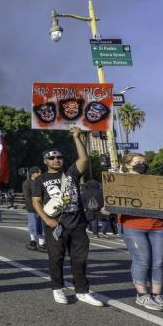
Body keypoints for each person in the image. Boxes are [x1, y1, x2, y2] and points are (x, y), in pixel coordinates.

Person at [31, 127, 105, 307]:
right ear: (45, 161)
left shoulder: (71, 174)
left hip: (77, 223)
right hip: (55, 224)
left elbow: (84, 159)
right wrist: (46, 219)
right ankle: (57, 288)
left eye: (59, 157)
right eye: (52, 158)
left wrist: (76, 137)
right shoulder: (40, 180)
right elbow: (36, 202)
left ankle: (82, 291)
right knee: (56, 259)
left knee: (80, 259)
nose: (56, 160)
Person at [117, 153, 163, 311]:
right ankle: (142, 296)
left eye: (144, 162)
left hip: (158, 226)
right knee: (142, 260)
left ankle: (156, 295)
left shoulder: (155, 182)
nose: (143, 164)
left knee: (158, 263)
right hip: (133, 226)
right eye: (138, 162)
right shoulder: (119, 183)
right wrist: (106, 208)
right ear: (127, 165)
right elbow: (110, 202)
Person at [22, 167, 45, 251]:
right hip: (32, 208)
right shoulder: (27, 183)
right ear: (33, 173)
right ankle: (33, 241)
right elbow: (27, 197)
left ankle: (42, 244)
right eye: (39, 172)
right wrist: (35, 207)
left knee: (42, 225)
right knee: (33, 224)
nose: (40, 174)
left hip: (43, 208)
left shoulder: (42, 182)